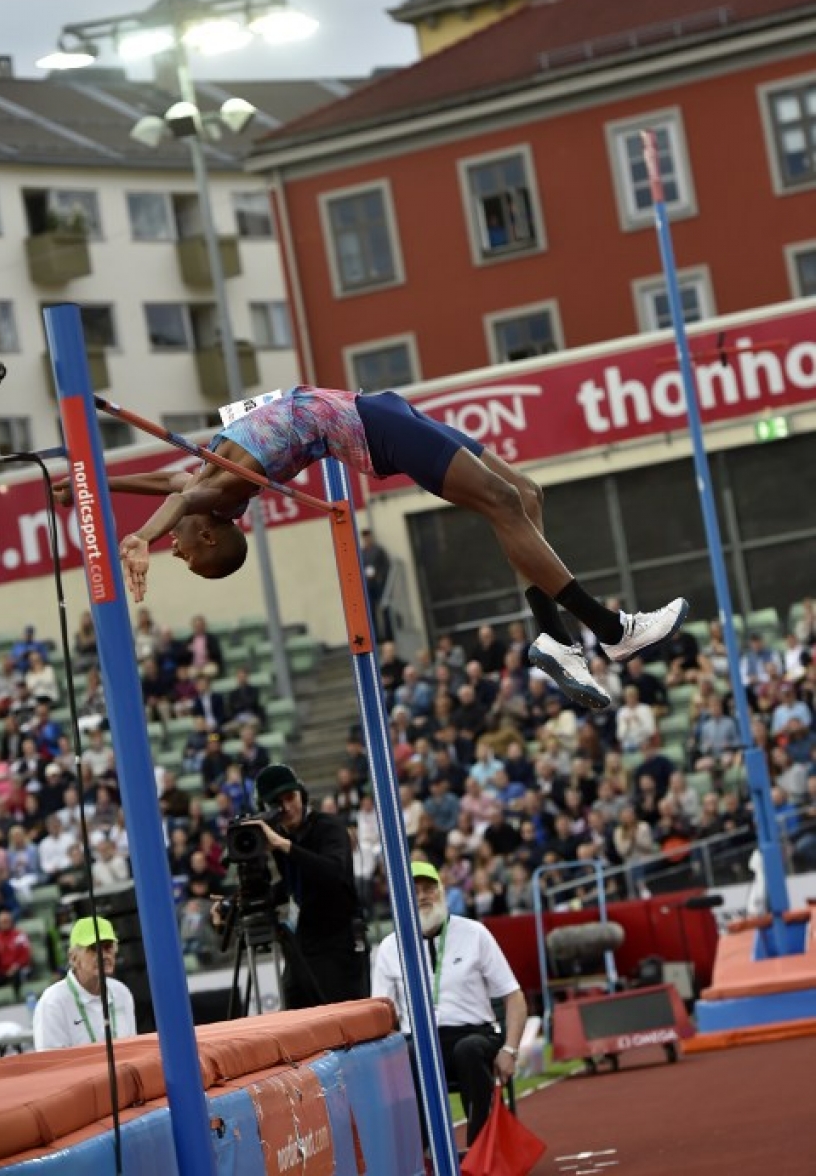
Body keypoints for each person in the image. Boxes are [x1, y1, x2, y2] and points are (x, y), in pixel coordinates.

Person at [77, 386, 687, 711]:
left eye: (179, 553)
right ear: (209, 532)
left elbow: (170, 485)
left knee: (526, 493)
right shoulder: (224, 487)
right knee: (502, 503)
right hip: (374, 428)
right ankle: (610, 629)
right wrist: (141, 538)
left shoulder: (214, 486)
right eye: (186, 555)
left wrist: (86, 479)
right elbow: (179, 499)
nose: (178, 552)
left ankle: (555, 638)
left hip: (381, 409)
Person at [372, 861, 527, 1148]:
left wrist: (510, 1050)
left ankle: (482, 1151)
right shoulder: (389, 948)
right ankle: (420, 1155)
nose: (422, 896)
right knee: (404, 1055)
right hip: (419, 1041)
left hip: (474, 1035)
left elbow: (513, 995)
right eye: (413, 890)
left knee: (468, 1049)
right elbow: (382, 1013)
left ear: (442, 892)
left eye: (429, 888)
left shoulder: (475, 933)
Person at [225, 762, 369, 1008]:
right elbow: (293, 884)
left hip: (338, 944)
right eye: (276, 802)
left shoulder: (329, 827)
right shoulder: (283, 836)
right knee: (294, 1022)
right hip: (302, 944)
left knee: (339, 1026)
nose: (286, 807)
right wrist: (235, 901)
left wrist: (284, 845)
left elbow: (333, 873)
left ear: (302, 794)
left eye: (290, 797)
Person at [32, 915, 137, 1050]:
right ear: (74, 958)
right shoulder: (53, 1002)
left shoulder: (121, 992)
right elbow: (52, 1066)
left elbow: (133, 1050)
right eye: (94, 948)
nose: (104, 955)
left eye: (108, 947)